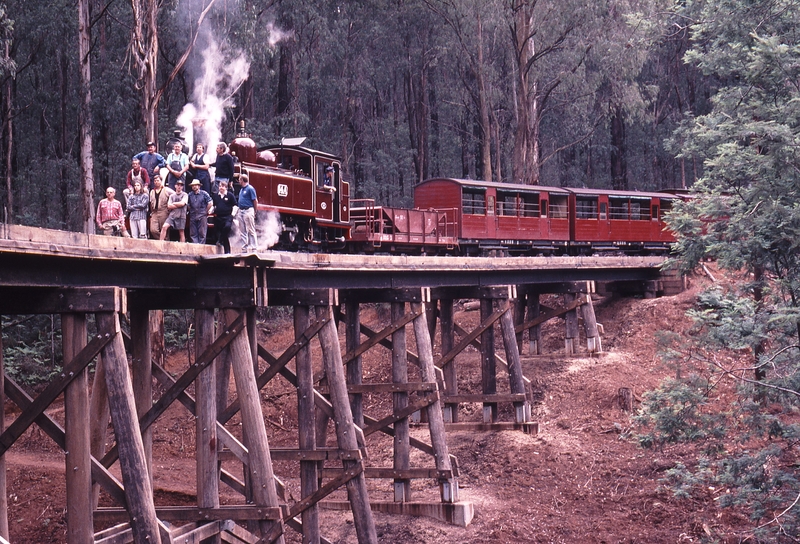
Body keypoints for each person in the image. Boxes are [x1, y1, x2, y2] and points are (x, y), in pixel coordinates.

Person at [212, 179, 237, 253]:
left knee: (227, 227)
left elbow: (235, 206)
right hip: (218, 217)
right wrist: (209, 211)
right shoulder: (215, 196)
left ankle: (220, 240)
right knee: (224, 235)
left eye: (222, 186)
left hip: (228, 216)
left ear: (226, 187)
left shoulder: (230, 196)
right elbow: (214, 206)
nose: (221, 188)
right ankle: (227, 252)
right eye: (220, 186)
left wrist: (232, 215)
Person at [187, 179, 213, 244]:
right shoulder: (190, 195)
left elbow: (210, 203)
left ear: (199, 186)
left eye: (195, 185)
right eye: (193, 185)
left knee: (202, 233)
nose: (194, 187)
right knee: (193, 233)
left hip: (202, 215)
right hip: (193, 215)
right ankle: (195, 247)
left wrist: (205, 211)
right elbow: (188, 205)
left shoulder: (204, 194)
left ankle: (201, 247)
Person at [149, 174, 174, 239]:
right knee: (153, 230)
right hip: (155, 212)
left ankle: (166, 244)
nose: (156, 182)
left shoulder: (166, 189)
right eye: (155, 181)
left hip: (164, 211)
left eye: (158, 180)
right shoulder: (152, 191)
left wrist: (170, 204)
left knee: (164, 230)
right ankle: (162, 240)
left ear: (161, 181)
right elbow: (150, 203)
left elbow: (175, 195)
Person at [237, 174, 258, 252]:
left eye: (239, 180)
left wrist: (254, 211)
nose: (239, 181)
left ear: (242, 180)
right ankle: (244, 247)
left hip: (248, 210)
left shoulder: (250, 188)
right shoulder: (241, 189)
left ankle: (254, 247)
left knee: (250, 229)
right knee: (242, 230)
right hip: (241, 211)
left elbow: (255, 201)